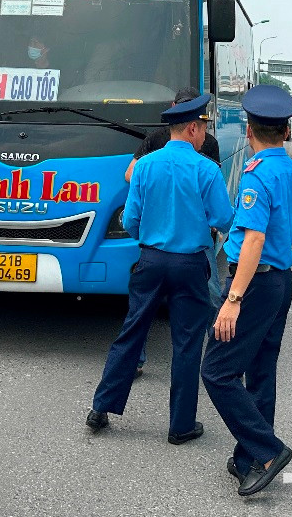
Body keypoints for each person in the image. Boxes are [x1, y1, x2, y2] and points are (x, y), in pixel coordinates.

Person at [86, 94, 234, 445]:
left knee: (132, 332)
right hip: (190, 264)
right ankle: (181, 426)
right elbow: (223, 219)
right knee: (185, 342)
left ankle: (101, 407)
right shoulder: (207, 169)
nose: (204, 136)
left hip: (150, 260)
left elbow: (132, 221)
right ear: (193, 128)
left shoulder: (146, 165)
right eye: (203, 129)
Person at [201, 85, 292, 498]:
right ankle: (248, 459)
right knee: (260, 370)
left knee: (217, 371)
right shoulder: (291, 171)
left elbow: (253, 240)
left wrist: (232, 299)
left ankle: (268, 451)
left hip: (256, 283)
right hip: (280, 282)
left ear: (249, 130)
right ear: (286, 131)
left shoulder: (257, 175)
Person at [124, 88, 224, 375]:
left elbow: (132, 185)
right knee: (198, 315)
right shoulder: (157, 140)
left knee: (140, 312)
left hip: (156, 248)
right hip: (193, 249)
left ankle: (219, 356)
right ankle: (218, 366)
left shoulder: (206, 143)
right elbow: (217, 208)